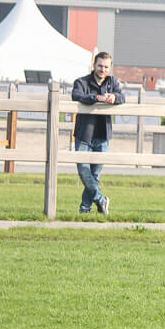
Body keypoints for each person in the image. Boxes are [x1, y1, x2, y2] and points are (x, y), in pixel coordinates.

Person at [71, 51, 125, 214]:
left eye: (106, 67)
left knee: (95, 174)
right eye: (100, 66)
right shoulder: (81, 82)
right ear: (94, 65)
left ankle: (85, 208)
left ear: (110, 68)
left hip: (103, 134)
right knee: (83, 171)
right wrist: (98, 98)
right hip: (84, 133)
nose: (103, 69)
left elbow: (122, 97)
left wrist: (114, 98)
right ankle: (101, 200)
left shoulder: (112, 82)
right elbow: (76, 95)